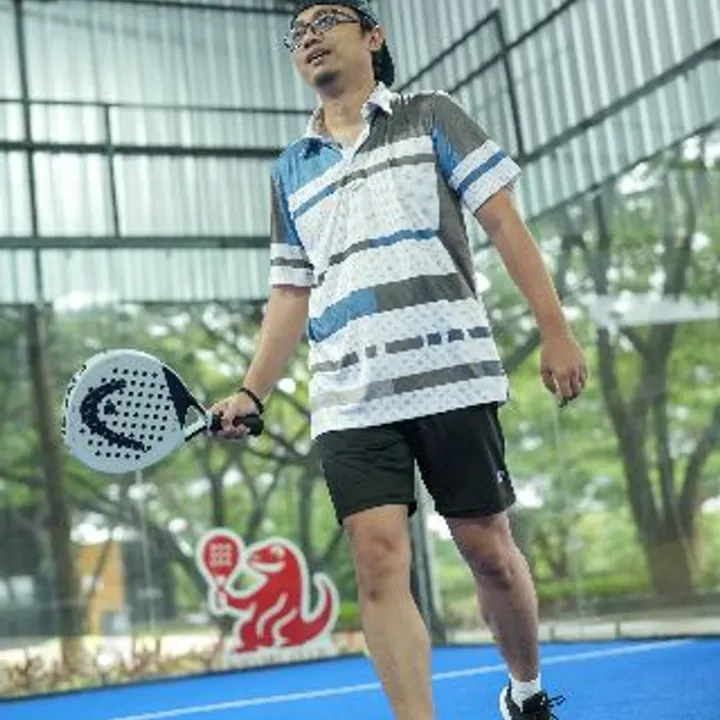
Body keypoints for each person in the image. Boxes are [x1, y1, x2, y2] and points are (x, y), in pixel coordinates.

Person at [209, 2, 586, 718]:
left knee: (488, 552)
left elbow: (503, 221)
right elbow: (290, 292)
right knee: (378, 558)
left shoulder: (431, 114)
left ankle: (526, 692)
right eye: (297, 34)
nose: (309, 38)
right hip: (349, 395)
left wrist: (555, 329)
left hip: (452, 374)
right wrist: (252, 392)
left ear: (373, 37)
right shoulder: (289, 169)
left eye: (326, 22)